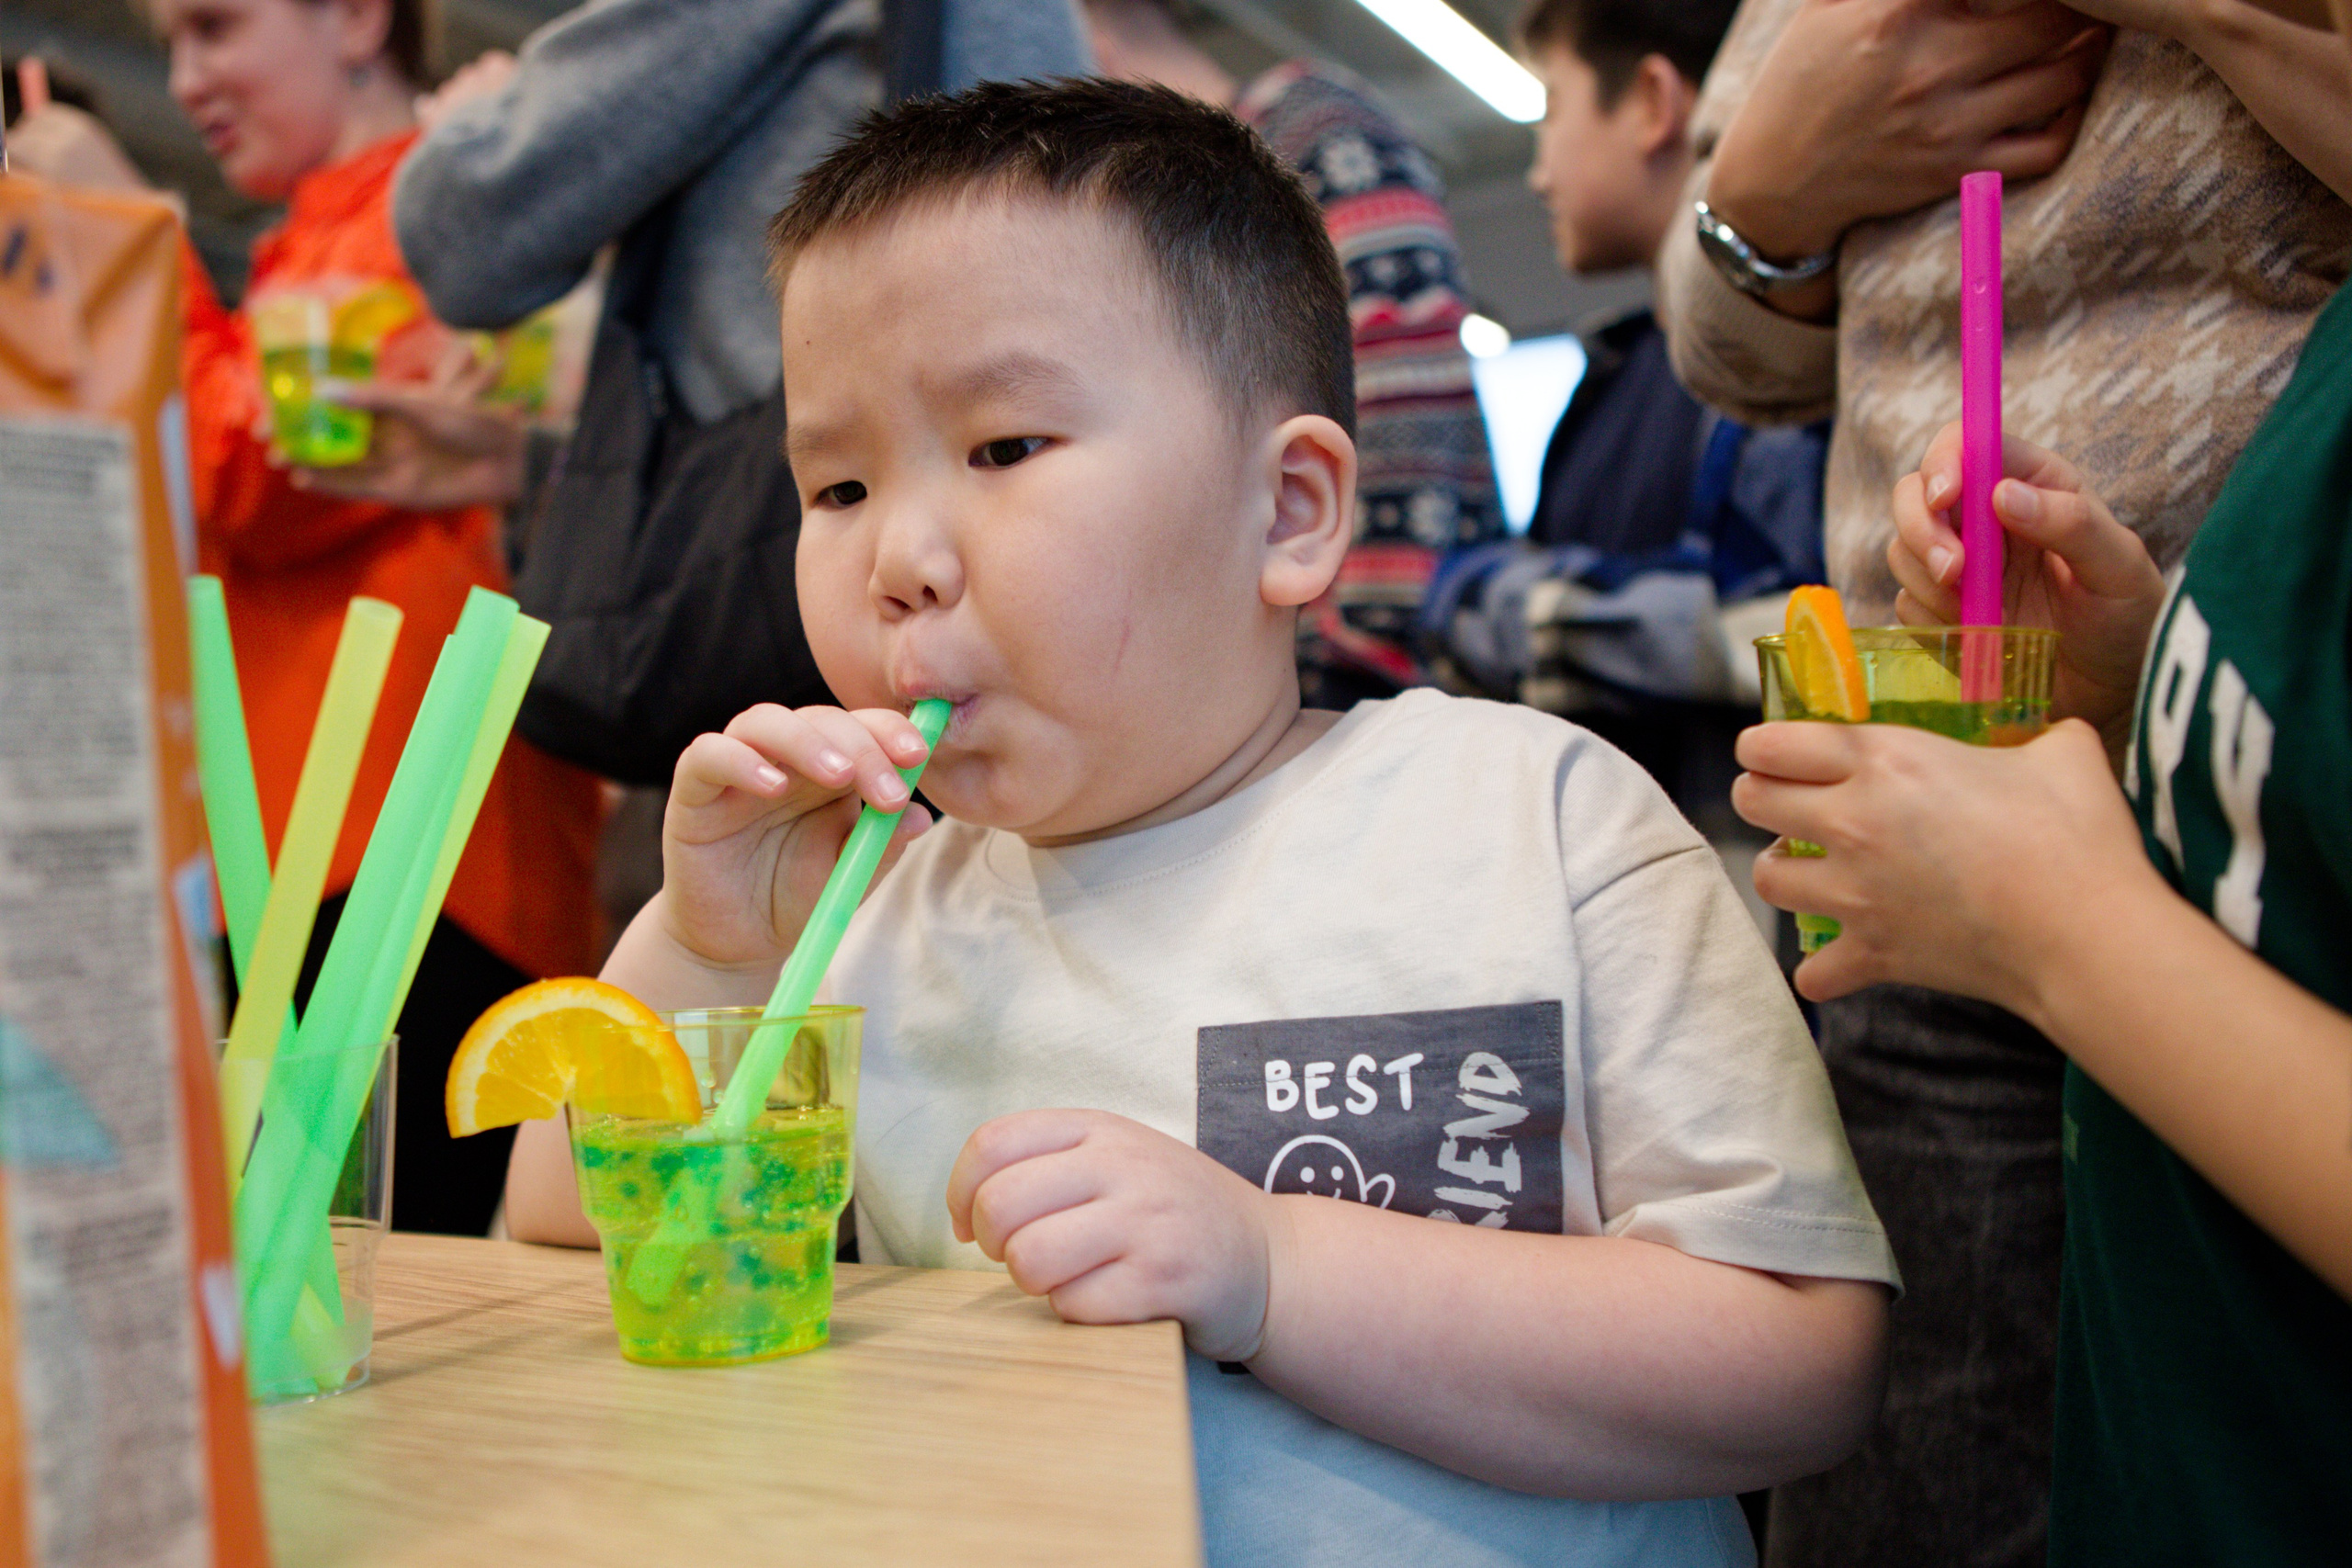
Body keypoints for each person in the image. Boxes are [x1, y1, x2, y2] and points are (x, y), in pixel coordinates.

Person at [507, 79, 1897, 1568]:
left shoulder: (1534, 817)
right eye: (836, 483)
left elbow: (1803, 1359)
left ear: (1290, 509)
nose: (898, 558)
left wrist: (1274, 1265)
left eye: (1004, 448)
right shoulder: (880, 914)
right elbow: (557, 1227)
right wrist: (713, 946)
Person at [1650, 3, 2352, 1559]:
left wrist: (2064, 918)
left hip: (2225, 832)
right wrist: (2138, 677)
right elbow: (1725, 342)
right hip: (2044, 756)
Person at [9, 0, 605, 1235]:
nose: (185, 82)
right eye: (169, 42)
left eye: (215, 28)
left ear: (352, 17)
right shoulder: (314, 241)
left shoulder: (445, 209)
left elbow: (264, 466)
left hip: (409, 863)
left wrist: (140, 233)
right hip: (298, 857)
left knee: (379, 1307)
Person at [1436, 0, 1823, 875]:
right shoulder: (1610, 372)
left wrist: (1510, 603)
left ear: (1651, 102)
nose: (1536, 174)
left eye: (1553, 113)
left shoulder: (1791, 365)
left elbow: (1779, 636)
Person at [1084, 0, 1500, 709]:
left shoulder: (1309, 130)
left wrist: (1350, 668)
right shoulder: (1112, 219)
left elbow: (1409, 403)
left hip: (1356, 701)